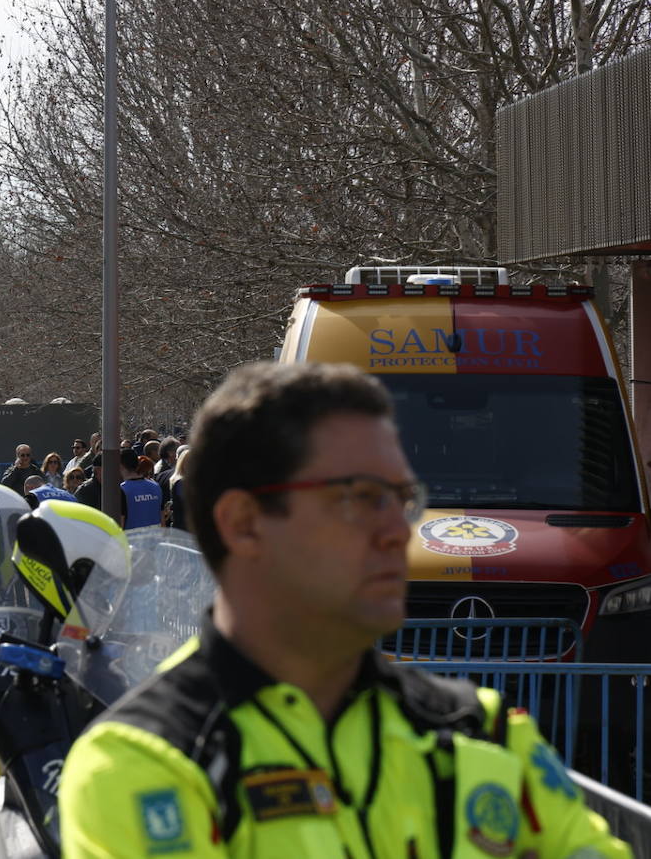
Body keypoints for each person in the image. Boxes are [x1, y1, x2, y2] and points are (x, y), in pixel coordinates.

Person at [58, 362, 629, 858]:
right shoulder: (144, 761)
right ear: (244, 523)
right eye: (359, 498)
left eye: (402, 500)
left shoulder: (481, 730)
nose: (397, 531)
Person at [120, 448, 163, 529]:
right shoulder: (156, 486)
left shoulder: (122, 490)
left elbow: (120, 525)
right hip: (155, 539)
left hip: (132, 540)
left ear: (120, 465)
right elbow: (162, 520)